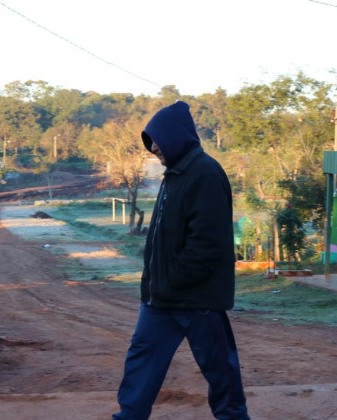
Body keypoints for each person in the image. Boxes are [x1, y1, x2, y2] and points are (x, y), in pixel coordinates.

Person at [112, 101, 249, 419]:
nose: (153, 147)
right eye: (151, 141)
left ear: (176, 137)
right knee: (140, 367)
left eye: (157, 139)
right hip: (160, 301)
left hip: (197, 301)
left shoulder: (205, 174)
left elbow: (206, 246)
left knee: (221, 376)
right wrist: (156, 286)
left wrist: (170, 280)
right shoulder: (173, 175)